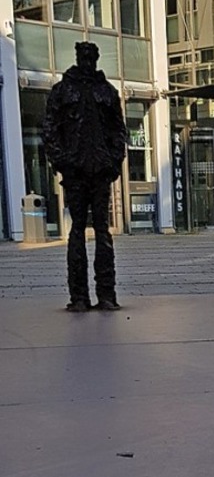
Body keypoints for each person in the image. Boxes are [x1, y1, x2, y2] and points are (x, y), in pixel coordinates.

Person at [43, 42, 127, 312]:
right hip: (75, 171)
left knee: (102, 231)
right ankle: (78, 296)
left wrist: (114, 161)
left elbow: (118, 130)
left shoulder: (107, 91)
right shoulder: (63, 90)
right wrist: (62, 161)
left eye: (92, 56)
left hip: (100, 171)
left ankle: (106, 294)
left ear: (97, 58)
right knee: (77, 232)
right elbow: (50, 128)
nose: (88, 60)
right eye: (84, 56)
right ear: (78, 57)